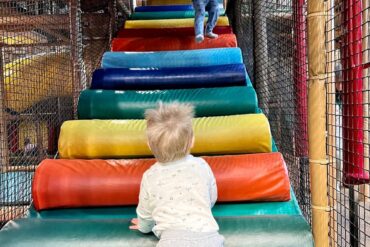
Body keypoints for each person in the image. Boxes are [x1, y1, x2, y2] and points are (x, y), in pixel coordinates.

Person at [130, 102, 224, 247]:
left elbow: (146, 213)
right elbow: (211, 197)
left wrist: (143, 227)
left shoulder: (150, 176)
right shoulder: (201, 165)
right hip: (210, 238)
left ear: (149, 145)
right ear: (192, 141)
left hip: (172, 241)